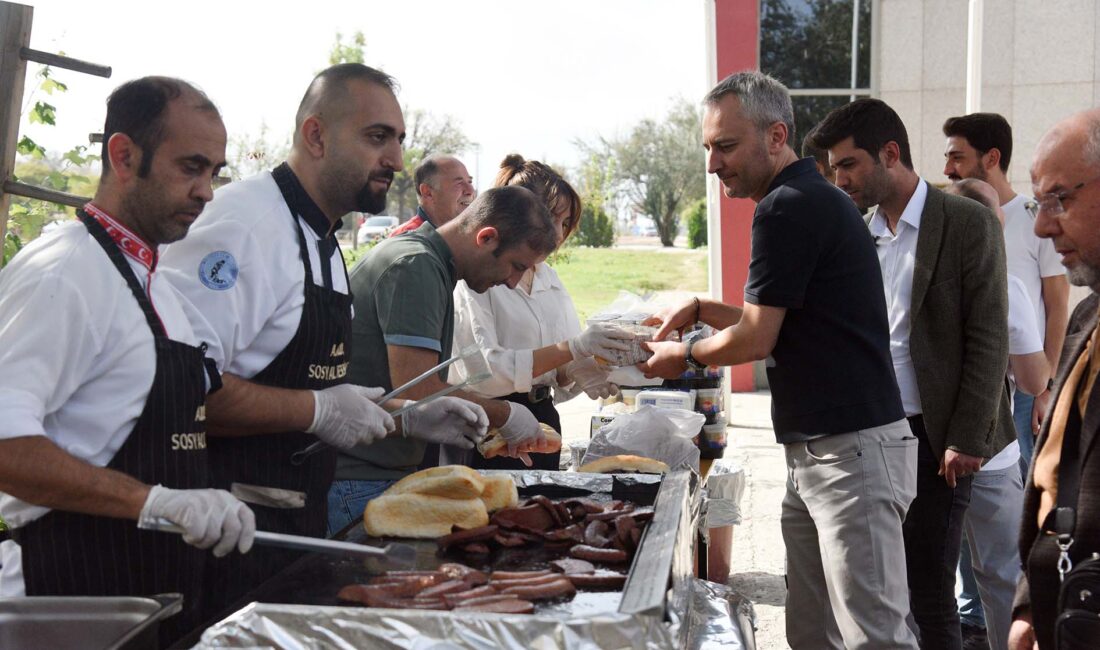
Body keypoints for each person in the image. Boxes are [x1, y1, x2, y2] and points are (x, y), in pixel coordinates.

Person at [159, 63, 486, 613]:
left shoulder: (325, 241)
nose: (397, 160)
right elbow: (178, 388)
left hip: (290, 529)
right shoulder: (246, 226)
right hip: (223, 541)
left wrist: (399, 415)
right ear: (316, 135)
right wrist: (317, 410)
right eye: (376, 137)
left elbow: (307, 389)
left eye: (399, 140)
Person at [642, 71, 916, 649]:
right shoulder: (806, 199)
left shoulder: (788, 206)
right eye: (708, 148)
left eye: (726, 146)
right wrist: (700, 307)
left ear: (776, 136)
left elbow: (757, 338)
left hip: (852, 452)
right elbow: (778, 313)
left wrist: (682, 355)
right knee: (812, 631)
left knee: (875, 636)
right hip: (821, 451)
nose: (713, 164)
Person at [0, 77, 254, 645]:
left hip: (147, 608)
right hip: (66, 608)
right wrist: (153, 502)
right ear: (124, 155)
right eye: (191, 167)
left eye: (215, 171)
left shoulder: (155, 283)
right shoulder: (64, 272)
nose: (207, 192)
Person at [811, 98, 1013, 650]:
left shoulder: (965, 221)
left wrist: (967, 437)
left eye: (848, 164)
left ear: (890, 154)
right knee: (881, 590)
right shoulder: (858, 232)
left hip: (937, 438)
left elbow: (989, 334)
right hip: (872, 433)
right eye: (833, 169)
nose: (840, 179)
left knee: (929, 590)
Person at [328, 185, 575, 533]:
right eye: (516, 266)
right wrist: (505, 414)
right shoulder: (416, 266)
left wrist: (486, 429)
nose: (512, 281)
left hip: (384, 469)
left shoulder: (435, 267)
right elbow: (420, 391)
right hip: (359, 476)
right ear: (486, 237)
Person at [451, 154, 623, 471]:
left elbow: (563, 355)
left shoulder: (548, 278)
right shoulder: (480, 279)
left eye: (566, 223)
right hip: (496, 425)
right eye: (552, 219)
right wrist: (572, 349)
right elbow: (484, 372)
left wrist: (579, 370)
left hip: (543, 419)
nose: (557, 234)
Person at [1010, 108, 1100, 650]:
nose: (1043, 225)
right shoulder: (1087, 319)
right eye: (1038, 203)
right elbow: (1054, 479)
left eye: (1059, 199)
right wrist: (1030, 604)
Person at [947, 179, 1049, 650]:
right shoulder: (1005, 284)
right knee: (1003, 577)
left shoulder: (910, 272)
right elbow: (1033, 380)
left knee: (921, 577)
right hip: (992, 451)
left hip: (919, 447)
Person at [943, 113, 1068, 461]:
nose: (948, 170)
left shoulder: (1035, 219)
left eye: (957, 157)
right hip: (968, 380)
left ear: (992, 158)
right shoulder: (946, 218)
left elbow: (1058, 305)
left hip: (1026, 383)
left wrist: (1047, 389)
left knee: (1021, 482)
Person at [388, 154, 474, 236]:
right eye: (459, 183)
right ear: (427, 192)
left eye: (470, 182)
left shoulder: (471, 236)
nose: (470, 191)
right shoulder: (408, 239)